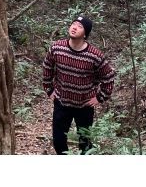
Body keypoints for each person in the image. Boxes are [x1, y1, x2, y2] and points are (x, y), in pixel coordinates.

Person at [42, 15, 115, 154]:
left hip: (84, 105)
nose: (74, 27)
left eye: (80, 26)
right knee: (58, 140)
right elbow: (47, 66)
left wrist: (100, 97)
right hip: (62, 102)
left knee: (85, 142)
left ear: (85, 34)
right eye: (73, 24)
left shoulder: (95, 55)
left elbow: (108, 76)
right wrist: (49, 90)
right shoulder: (57, 48)